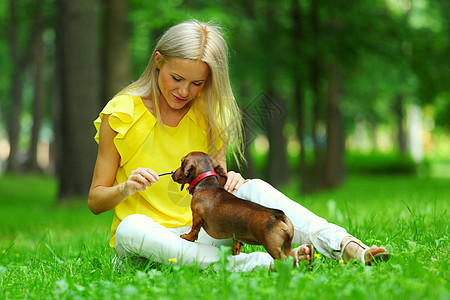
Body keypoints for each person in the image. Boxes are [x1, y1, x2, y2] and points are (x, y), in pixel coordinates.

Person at [88, 20, 390, 272]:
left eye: (197, 84)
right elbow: (95, 200)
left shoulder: (208, 115)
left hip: (203, 236)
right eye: (176, 78)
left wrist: (229, 179)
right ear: (158, 62)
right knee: (131, 227)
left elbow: (215, 187)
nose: (183, 91)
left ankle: (344, 245)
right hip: (147, 246)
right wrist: (125, 188)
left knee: (252, 188)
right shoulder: (122, 113)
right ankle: (257, 263)